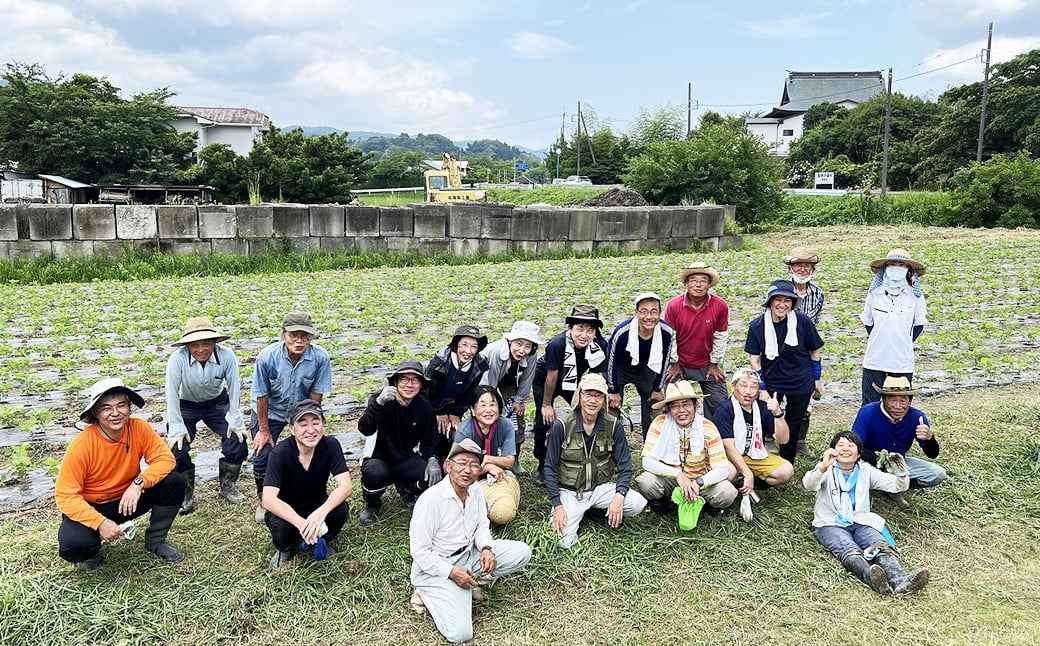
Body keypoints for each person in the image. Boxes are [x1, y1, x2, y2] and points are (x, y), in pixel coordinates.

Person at [409, 438, 532, 644]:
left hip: (469, 554)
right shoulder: (431, 500)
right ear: (448, 466)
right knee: (460, 634)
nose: (468, 470)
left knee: (522, 553)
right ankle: (425, 592)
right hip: (438, 566)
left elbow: (481, 524)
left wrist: (486, 548)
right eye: (462, 463)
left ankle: (470, 582)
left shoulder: (475, 490)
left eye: (474, 465)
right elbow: (420, 552)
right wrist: (452, 572)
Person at [55, 378, 186, 571]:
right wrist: (99, 522)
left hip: (127, 499)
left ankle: (156, 541)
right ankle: (91, 552)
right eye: (106, 408)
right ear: (95, 413)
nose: (115, 413)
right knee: (74, 545)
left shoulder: (139, 428)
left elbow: (165, 459)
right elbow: (65, 495)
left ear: (129, 408)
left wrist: (138, 483)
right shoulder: (82, 446)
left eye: (121, 405)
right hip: (93, 506)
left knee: (174, 482)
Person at [803, 431, 929, 595]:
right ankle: (873, 579)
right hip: (830, 523)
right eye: (840, 445)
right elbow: (809, 485)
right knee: (849, 550)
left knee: (880, 546)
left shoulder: (865, 470)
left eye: (851, 445)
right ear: (833, 450)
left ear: (858, 454)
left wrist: (900, 472)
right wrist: (822, 467)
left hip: (861, 521)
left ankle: (901, 581)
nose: (845, 449)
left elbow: (895, 486)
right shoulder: (826, 469)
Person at [545, 373, 647, 549]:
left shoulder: (613, 426)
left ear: (604, 399)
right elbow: (549, 468)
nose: (593, 400)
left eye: (599, 395)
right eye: (588, 394)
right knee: (562, 541)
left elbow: (625, 466)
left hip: (599, 489)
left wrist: (619, 496)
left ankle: (594, 509)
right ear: (579, 395)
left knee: (637, 503)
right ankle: (586, 512)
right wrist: (558, 505)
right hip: (570, 492)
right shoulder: (561, 426)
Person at [249, 311, 333, 523]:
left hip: (301, 412)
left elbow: (315, 397)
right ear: (283, 335)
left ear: (311, 337)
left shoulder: (320, 358)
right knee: (262, 455)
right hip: (270, 412)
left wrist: (312, 425)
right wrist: (264, 430)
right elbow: (261, 395)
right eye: (294, 335)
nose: (299, 341)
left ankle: (298, 496)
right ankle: (264, 500)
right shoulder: (267, 357)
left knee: (306, 452)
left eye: (305, 336)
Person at [164, 316, 248, 515]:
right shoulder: (177, 359)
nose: (201, 349)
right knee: (176, 447)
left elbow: (234, 387)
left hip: (216, 403)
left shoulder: (226, 356)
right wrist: (176, 425)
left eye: (206, 344)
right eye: (195, 345)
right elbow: (171, 392)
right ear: (187, 345)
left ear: (214, 343)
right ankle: (185, 492)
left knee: (237, 440)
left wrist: (235, 418)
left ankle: (228, 485)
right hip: (186, 405)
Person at [262, 399, 352, 569]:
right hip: (288, 509)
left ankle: (321, 539)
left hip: (316, 504)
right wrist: (302, 524)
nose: (310, 430)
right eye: (303, 424)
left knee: (341, 510)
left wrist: (320, 514)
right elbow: (268, 499)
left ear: (323, 425)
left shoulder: (331, 445)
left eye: (316, 423)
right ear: (292, 429)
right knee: (281, 528)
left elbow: (345, 486)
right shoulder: (279, 453)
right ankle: (286, 548)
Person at [745, 279, 824, 465]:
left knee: (794, 422)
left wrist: (817, 378)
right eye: (778, 300)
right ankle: (764, 460)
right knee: (766, 419)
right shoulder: (757, 326)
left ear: (793, 303)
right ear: (770, 302)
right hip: (772, 382)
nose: (782, 305)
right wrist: (762, 388)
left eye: (787, 300)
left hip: (801, 381)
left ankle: (787, 462)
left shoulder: (802, 321)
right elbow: (755, 360)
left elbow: (814, 351)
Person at [357, 359, 441, 527]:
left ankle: (406, 489)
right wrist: (379, 403)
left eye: (415, 380)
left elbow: (429, 441)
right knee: (374, 473)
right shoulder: (381, 400)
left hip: (405, 458)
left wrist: (433, 459)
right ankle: (373, 503)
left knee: (431, 474)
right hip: (378, 458)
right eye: (404, 379)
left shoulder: (425, 408)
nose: (409, 385)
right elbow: (365, 428)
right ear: (395, 382)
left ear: (421, 385)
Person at [635, 380, 737, 517]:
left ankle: (706, 509)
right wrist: (678, 474)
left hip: (699, 479)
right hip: (670, 479)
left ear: (696, 405)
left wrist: (699, 482)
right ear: (668, 409)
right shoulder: (659, 423)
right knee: (646, 481)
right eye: (675, 406)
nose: (681, 410)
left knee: (727, 492)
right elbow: (647, 461)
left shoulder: (708, 427)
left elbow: (722, 469)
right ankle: (663, 507)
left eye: (686, 404)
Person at [531, 304, 608, 485]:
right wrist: (547, 405)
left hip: (572, 381)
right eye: (580, 328)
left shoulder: (599, 345)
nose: (584, 335)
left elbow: (597, 375)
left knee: (585, 412)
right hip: (545, 380)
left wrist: (592, 398)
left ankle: (585, 455)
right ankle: (543, 464)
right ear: (570, 328)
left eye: (590, 330)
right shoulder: (557, 344)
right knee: (544, 420)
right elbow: (551, 376)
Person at [852, 376, 946, 508]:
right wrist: (884, 463)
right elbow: (855, 447)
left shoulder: (917, 417)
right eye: (892, 400)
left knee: (937, 474)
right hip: (868, 462)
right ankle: (874, 485)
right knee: (850, 469)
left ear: (910, 401)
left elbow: (932, 454)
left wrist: (930, 439)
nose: (897, 406)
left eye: (903, 400)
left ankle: (895, 487)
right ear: (883, 399)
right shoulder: (867, 412)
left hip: (898, 463)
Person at [713, 368, 794, 499]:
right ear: (733, 387)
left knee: (786, 471)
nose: (748, 391)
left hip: (753, 453)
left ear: (758, 390)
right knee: (730, 472)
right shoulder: (724, 409)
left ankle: (752, 483)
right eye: (743, 386)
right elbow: (728, 447)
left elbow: (783, 440)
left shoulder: (762, 408)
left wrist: (778, 414)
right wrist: (747, 473)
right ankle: (730, 488)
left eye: (753, 387)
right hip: (728, 456)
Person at [860, 248, 927, 405]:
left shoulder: (915, 297)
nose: (896, 268)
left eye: (901, 265)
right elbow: (868, 323)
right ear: (886, 268)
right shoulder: (874, 294)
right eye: (892, 264)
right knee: (870, 403)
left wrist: (902, 341)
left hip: (901, 361)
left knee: (898, 404)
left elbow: (918, 326)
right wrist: (881, 339)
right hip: (874, 359)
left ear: (908, 270)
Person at [605, 291, 676, 439]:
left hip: (646, 367)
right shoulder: (622, 332)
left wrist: (657, 388)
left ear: (660, 313)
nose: (649, 317)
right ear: (636, 312)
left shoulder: (667, 332)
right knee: (612, 406)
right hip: (620, 369)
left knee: (654, 403)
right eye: (644, 311)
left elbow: (664, 361)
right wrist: (613, 390)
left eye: (654, 312)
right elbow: (611, 361)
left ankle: (650, 442)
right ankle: (611, 443)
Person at [663, 262, 729, 418]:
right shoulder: (674, 306)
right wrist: (674, 363)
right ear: (686, 284)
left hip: (707, 363)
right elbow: (670, 337)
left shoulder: (720, 306)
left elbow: (720, 336)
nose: (698, 285)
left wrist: (714, 363)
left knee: (720, 403)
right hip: (680, 363)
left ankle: (713, 431)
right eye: (693, 280)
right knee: (673, 401)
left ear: (709, 284)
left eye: (703, 281)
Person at [479, 320, 542, 473]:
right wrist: (491, 405)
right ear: (510, 341)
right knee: (488, 416)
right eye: (518, 344)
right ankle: (488, 456)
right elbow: (489, 385)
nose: (522, 350)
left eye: (527, 346)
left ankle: (514, 459)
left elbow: (527, 378)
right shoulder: (495, 352)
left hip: (508, 380)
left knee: (516, 416)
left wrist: (519, 400)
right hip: (484, 383)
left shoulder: (531, 355)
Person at [453, 386, 521, 525]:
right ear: (472, 410)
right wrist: (488, 467)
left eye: (492, 404)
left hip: (501, 473)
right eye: (482, 405)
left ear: (499, 408)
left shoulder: (506, 425)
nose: (488, 410)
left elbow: (509, 462)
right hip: (471, 478)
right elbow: (458, 469)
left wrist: (486, 459)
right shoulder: (465, 430)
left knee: (504, 510)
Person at [424, 324, 491, 461]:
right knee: (435, 431)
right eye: (464, 345)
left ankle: (450, 458)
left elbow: (469, 392)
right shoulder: (440, 361)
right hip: (431, 402)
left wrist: (456, 413)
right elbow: (430, 389)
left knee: (453, 432)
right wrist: (440, 412)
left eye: (474, 347)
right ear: (456, 344)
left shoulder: (480, 364)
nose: (468, 351)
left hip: (455, 403)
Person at [783, 247, 823, 457]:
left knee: (803, 397)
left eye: (807, 265)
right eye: (798, 265)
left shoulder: (818, 293)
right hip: (780, 352)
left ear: (813, 269)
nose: (803, 269)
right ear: (790, 268)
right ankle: (771, 438)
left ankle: (799, 440)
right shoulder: (780, 290)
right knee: (774, 396)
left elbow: (813, 326)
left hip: (804, 352)